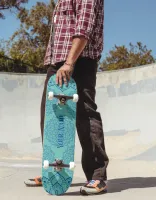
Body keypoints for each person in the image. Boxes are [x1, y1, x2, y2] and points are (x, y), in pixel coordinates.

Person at [24, 0, 109, 195]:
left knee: (85, 115)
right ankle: (53, 172)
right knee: (49, 116)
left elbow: (84, 26)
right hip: (58, 61)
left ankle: (97, 176)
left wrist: (70, 63)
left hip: (79, 59)